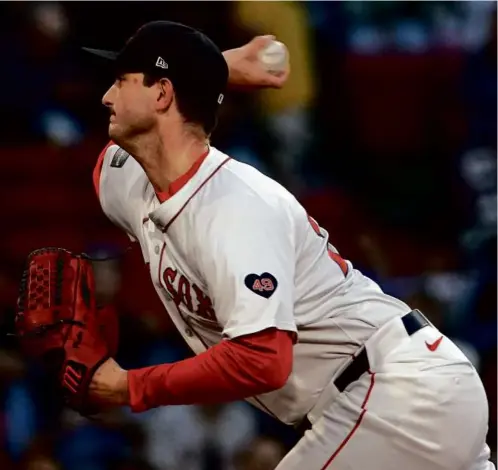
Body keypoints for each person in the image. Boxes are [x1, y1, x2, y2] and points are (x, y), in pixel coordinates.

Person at [85, 21, 493, 470]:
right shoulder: (131, 179)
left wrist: (129, 386)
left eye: (122, 81)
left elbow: (262, 361)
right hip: (391, 400)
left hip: (395, 393)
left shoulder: (237, 207)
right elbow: (107, 168)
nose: (107, 95)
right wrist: (214, 67)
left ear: (162, 95)